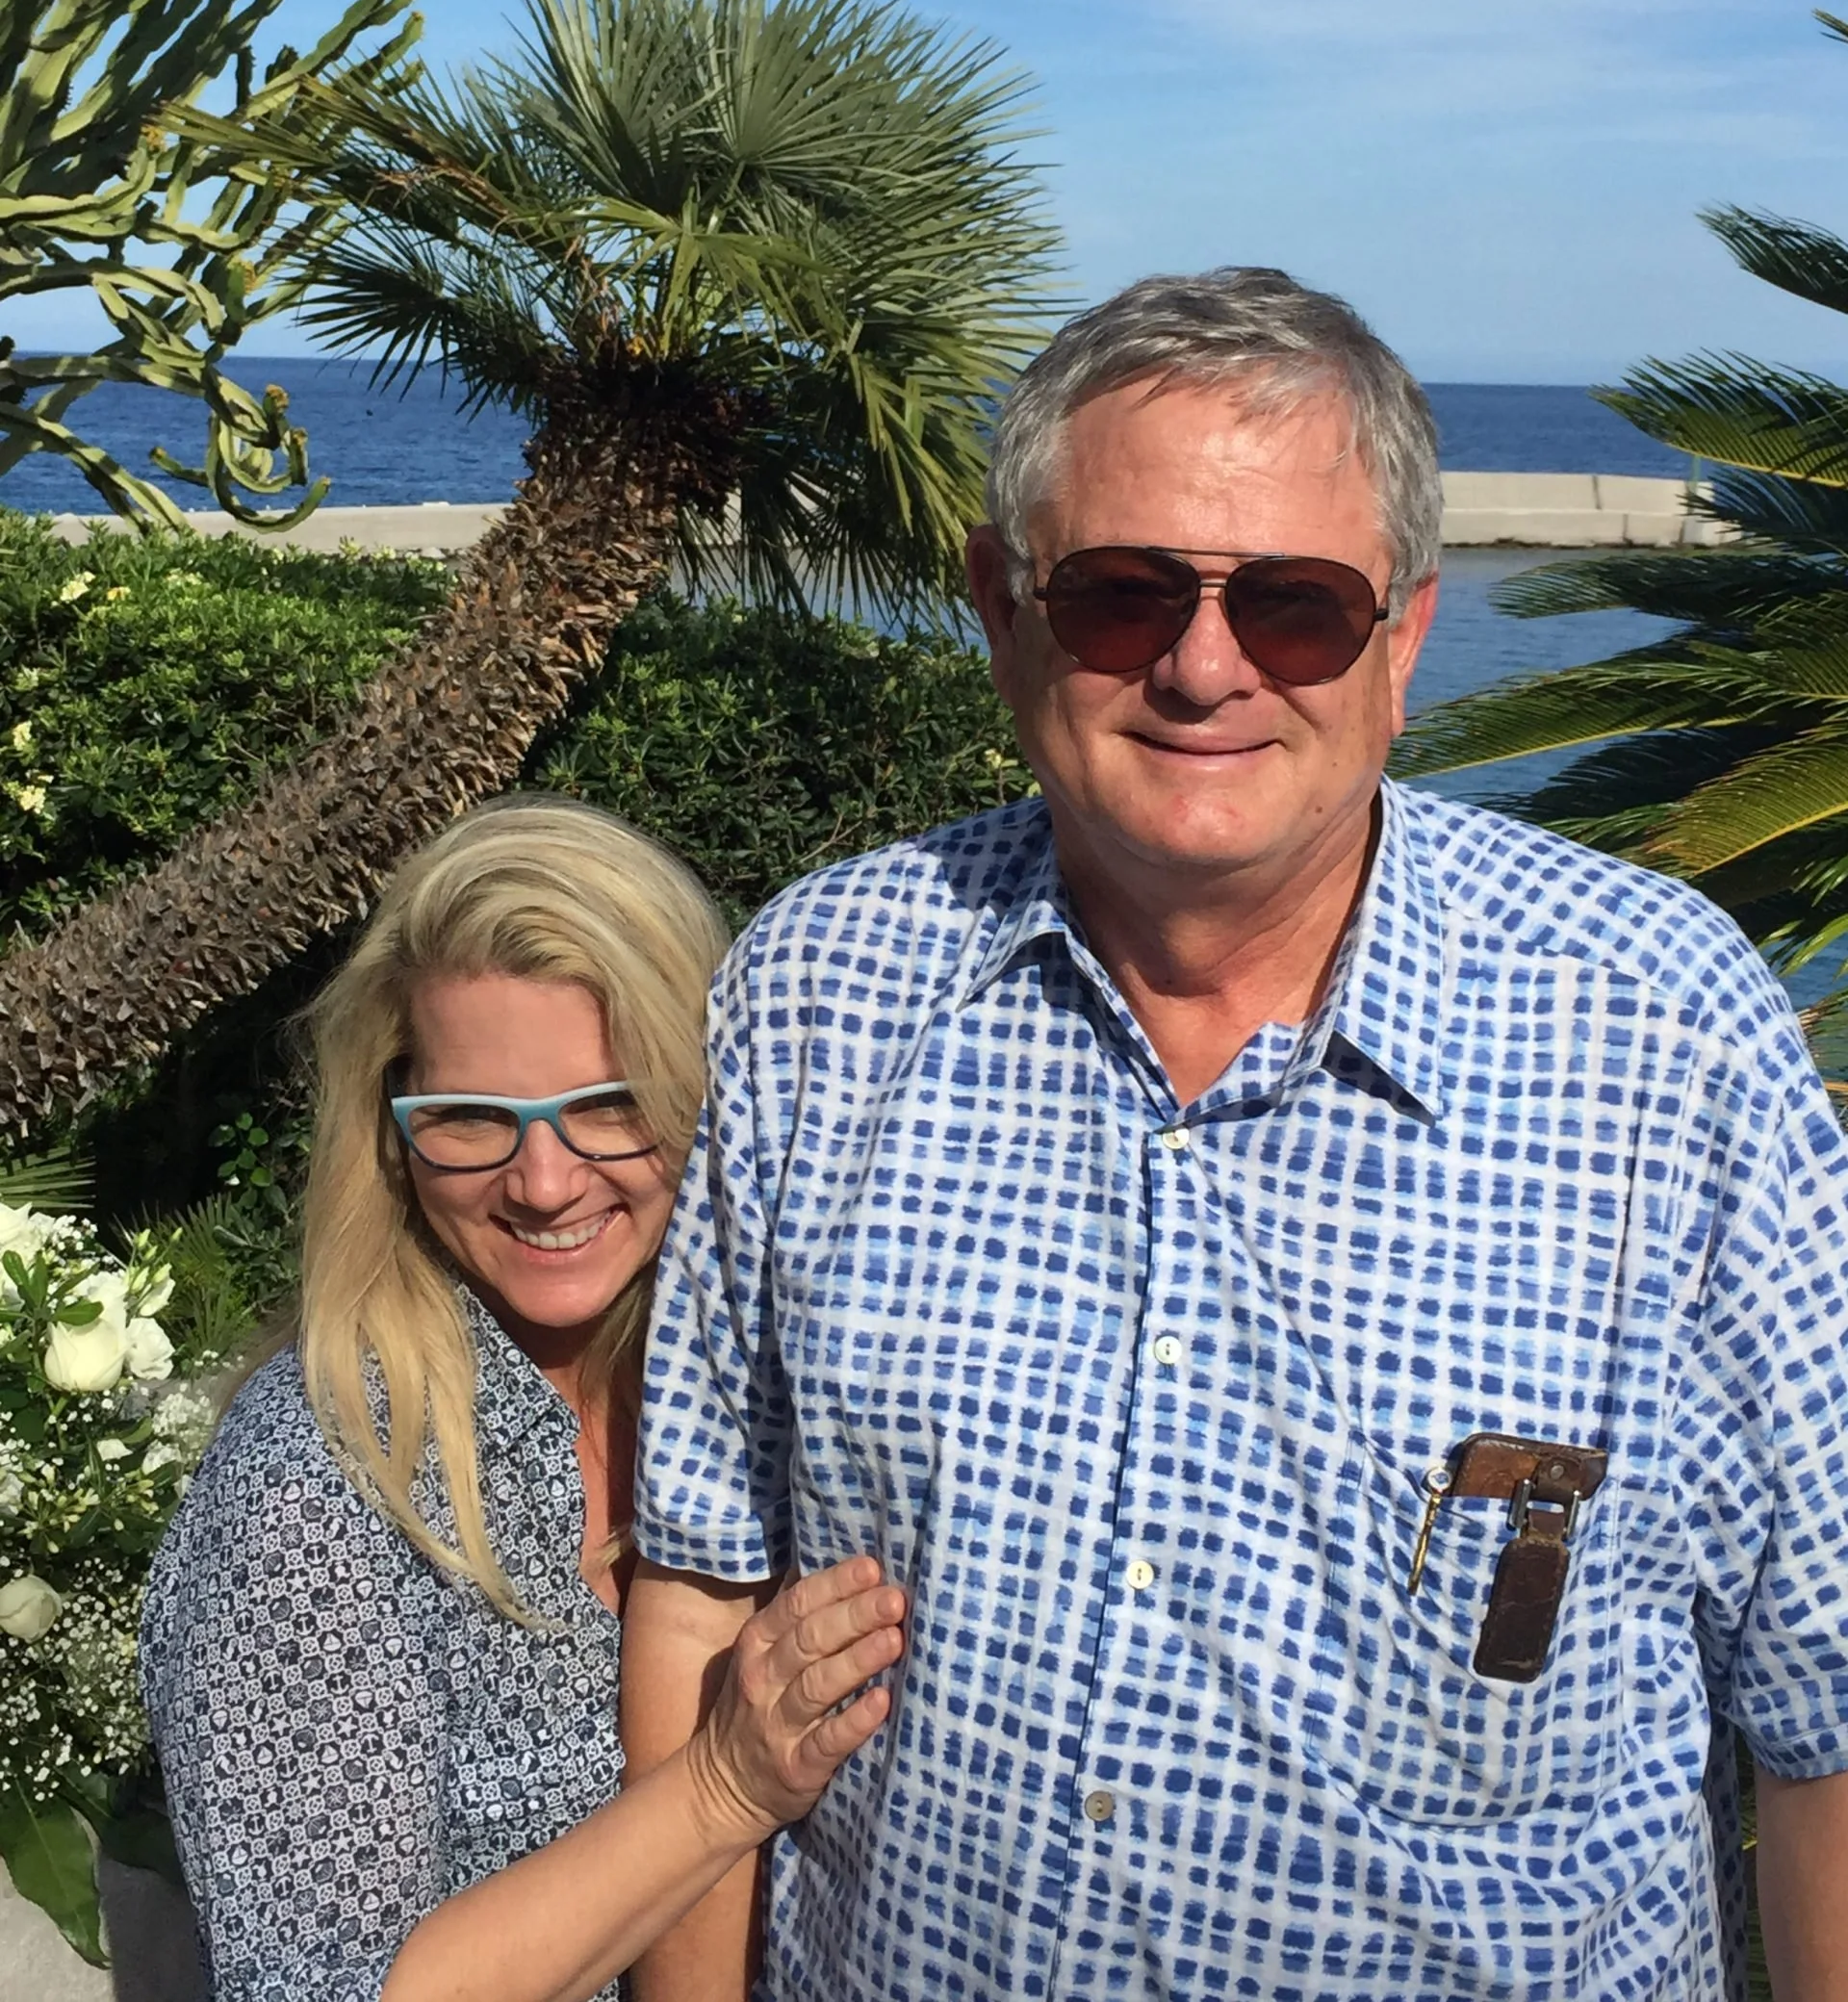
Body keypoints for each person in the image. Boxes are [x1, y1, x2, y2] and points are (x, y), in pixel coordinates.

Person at [624, 269, 1848, 2002]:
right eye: (1123, 595)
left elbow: (1828, 1703)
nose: (1205, 669)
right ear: (1001, 606)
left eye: (1293, 607)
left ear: (1404, 637)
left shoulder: (1659, 1039)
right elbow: (700, 1583)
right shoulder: (826, 989)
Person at [141, 796, 906, 2002]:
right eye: (469, 1122)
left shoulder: (775, 1388)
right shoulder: (317, 1474)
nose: (545, 1184)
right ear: (392, 1133)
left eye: (611, 1106)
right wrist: (723, 1788)